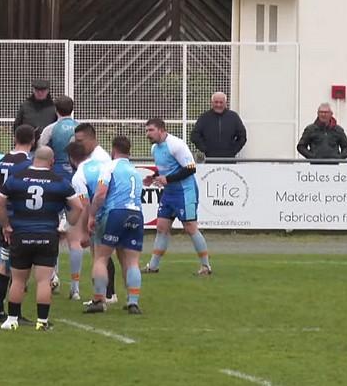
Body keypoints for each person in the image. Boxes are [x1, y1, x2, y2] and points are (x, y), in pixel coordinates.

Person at [0, 147, 84, 331]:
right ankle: (42, 322)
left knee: (19, 280)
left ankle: (11, 319)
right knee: (43, 280)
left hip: (21, 233)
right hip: (47, 234)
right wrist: (65, 226)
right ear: (52, 162)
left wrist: (6, 225)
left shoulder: (17, 178)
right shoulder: (60, 181)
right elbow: (78, 207)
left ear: (33, 158)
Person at [143, 118, 212, 276]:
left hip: (184, 191)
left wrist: (167, 179)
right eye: (147, 130)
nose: (148, 134)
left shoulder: (176, 145)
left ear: (161, 130)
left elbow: (190, 168)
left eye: (151, 130)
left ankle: (206, 266)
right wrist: (154, 176)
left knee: (190, 227)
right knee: (161, 227)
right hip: (169, 193)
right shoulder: (155, 148)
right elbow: (165, 169)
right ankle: (153, 266)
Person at [84, 137, 144, 315]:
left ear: (113, 150)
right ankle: (133, 302)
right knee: (132, 261)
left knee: (101, 257)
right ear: (129, 151)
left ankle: (98, 299)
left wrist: (92, 215)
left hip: (115, 213)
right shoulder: (135, 171)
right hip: (136, 214)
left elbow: (101, 194)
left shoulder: (109, 167)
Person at [38, 95, 81, 297]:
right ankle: (76, 289)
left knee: (51, 230)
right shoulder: (82, 127)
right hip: (77, 178)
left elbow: (42, 151)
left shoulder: (50, 129)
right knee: (75, 237)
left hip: (56, 180)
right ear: (72, 110)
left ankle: (52, 276)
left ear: (56, 110)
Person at [0, 124, 34, 322]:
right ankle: (13, 312)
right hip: (20, 219)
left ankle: (0, 310)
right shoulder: (27, 164)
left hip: (3, 217)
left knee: (5, 264)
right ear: (32, 141)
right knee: (19, 269)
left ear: (14, 138)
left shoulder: (2, 161)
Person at [72, 123, 117, 303]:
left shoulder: (102, 159)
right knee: (99, 253)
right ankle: (107, 293)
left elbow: (102, 189)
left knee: (101, 254)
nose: (79, 144)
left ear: (92, 138)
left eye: (81, 141)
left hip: (101, 210)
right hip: (97, 210)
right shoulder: (91, 158)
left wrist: (93, 213)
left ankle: (108, 293)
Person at [190, 92, 247, 158]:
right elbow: (194, 136)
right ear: (212, 103)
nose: (218, 105)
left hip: (229, 159)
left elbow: (242, 136)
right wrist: (205, 149)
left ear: (226, 103)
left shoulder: (234, 117)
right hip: (209, 159)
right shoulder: (204, 117)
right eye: (216, 102)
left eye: (221, 102)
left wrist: (233, 151)